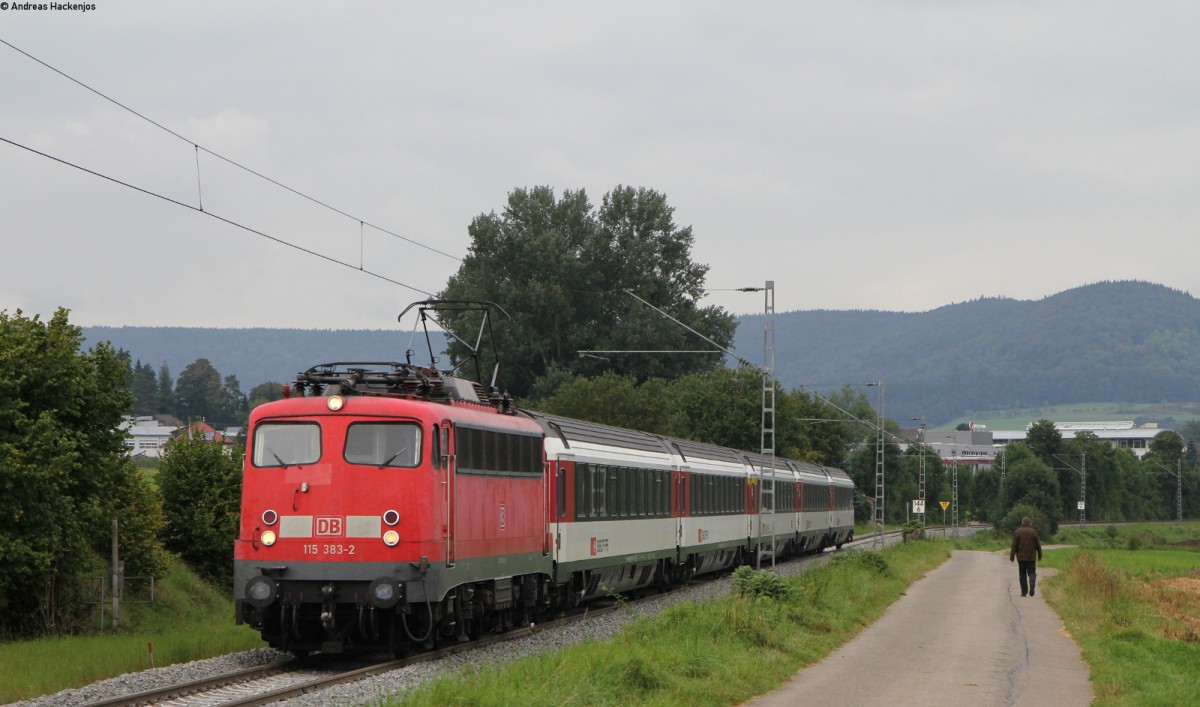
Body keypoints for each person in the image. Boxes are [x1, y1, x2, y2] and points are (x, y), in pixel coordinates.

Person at [1010, 516, 1043, 597]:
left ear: (1022, 523)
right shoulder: (1034, 532)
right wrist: (1039, 555)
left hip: (1021, 557)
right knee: (1031, 572)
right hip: (1031, 557)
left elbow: (1014, 545)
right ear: (1030, 523)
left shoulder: (1018, 531)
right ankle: (1032, 581)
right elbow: (1038, 545)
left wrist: (1012, 557)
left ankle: (1024, 592)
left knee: (1022, 574)